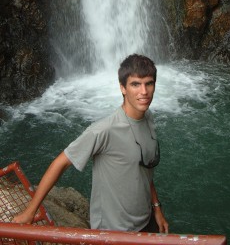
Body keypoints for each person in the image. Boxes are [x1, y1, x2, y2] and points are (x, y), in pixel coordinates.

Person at [13, 54, 169, 233]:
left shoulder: (148, 119)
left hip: (146, 220)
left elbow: (144, 169)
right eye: (135, 84)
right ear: (123, 88)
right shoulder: (104, 130)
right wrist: (30, 212)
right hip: (114, 231)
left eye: (149, 83)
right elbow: (60, 163)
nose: (144, 92)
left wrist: (157, 208)